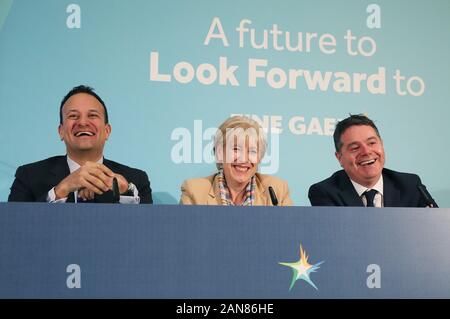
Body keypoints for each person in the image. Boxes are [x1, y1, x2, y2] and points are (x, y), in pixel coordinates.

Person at [8, 85, 152, 204]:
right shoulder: (29, 176)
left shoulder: (136, 180)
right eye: (73, 116)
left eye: (92, 115)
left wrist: (125, 190)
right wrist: (60, 191)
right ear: (61, 131)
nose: (82, 123)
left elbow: (148, 231)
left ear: (107, 131)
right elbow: (12, 228)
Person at [308, 114, 430, 207]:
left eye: (372, 143)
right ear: (339, 157)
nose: (366, 152)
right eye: (355, 148)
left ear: (382, 145)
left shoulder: (410, 185)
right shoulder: (325, 192)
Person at [180, 116, 292, 206]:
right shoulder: (195, 192)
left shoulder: (276, 190)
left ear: (260, 157)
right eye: (236, 149)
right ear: (220, 152)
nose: (244, 159)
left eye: (252, 151)